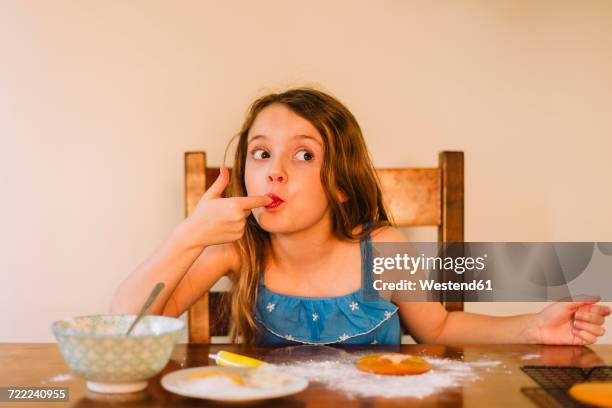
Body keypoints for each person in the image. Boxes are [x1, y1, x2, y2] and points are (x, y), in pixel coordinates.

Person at [110, 87, 610, 345]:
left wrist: (533, 327)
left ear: (343, 182)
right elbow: (123, 327)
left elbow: (437, 331)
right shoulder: (235, 250)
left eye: (303, 155)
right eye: (261, 154)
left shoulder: (385, 248)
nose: (274, 173)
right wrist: (186, 238)